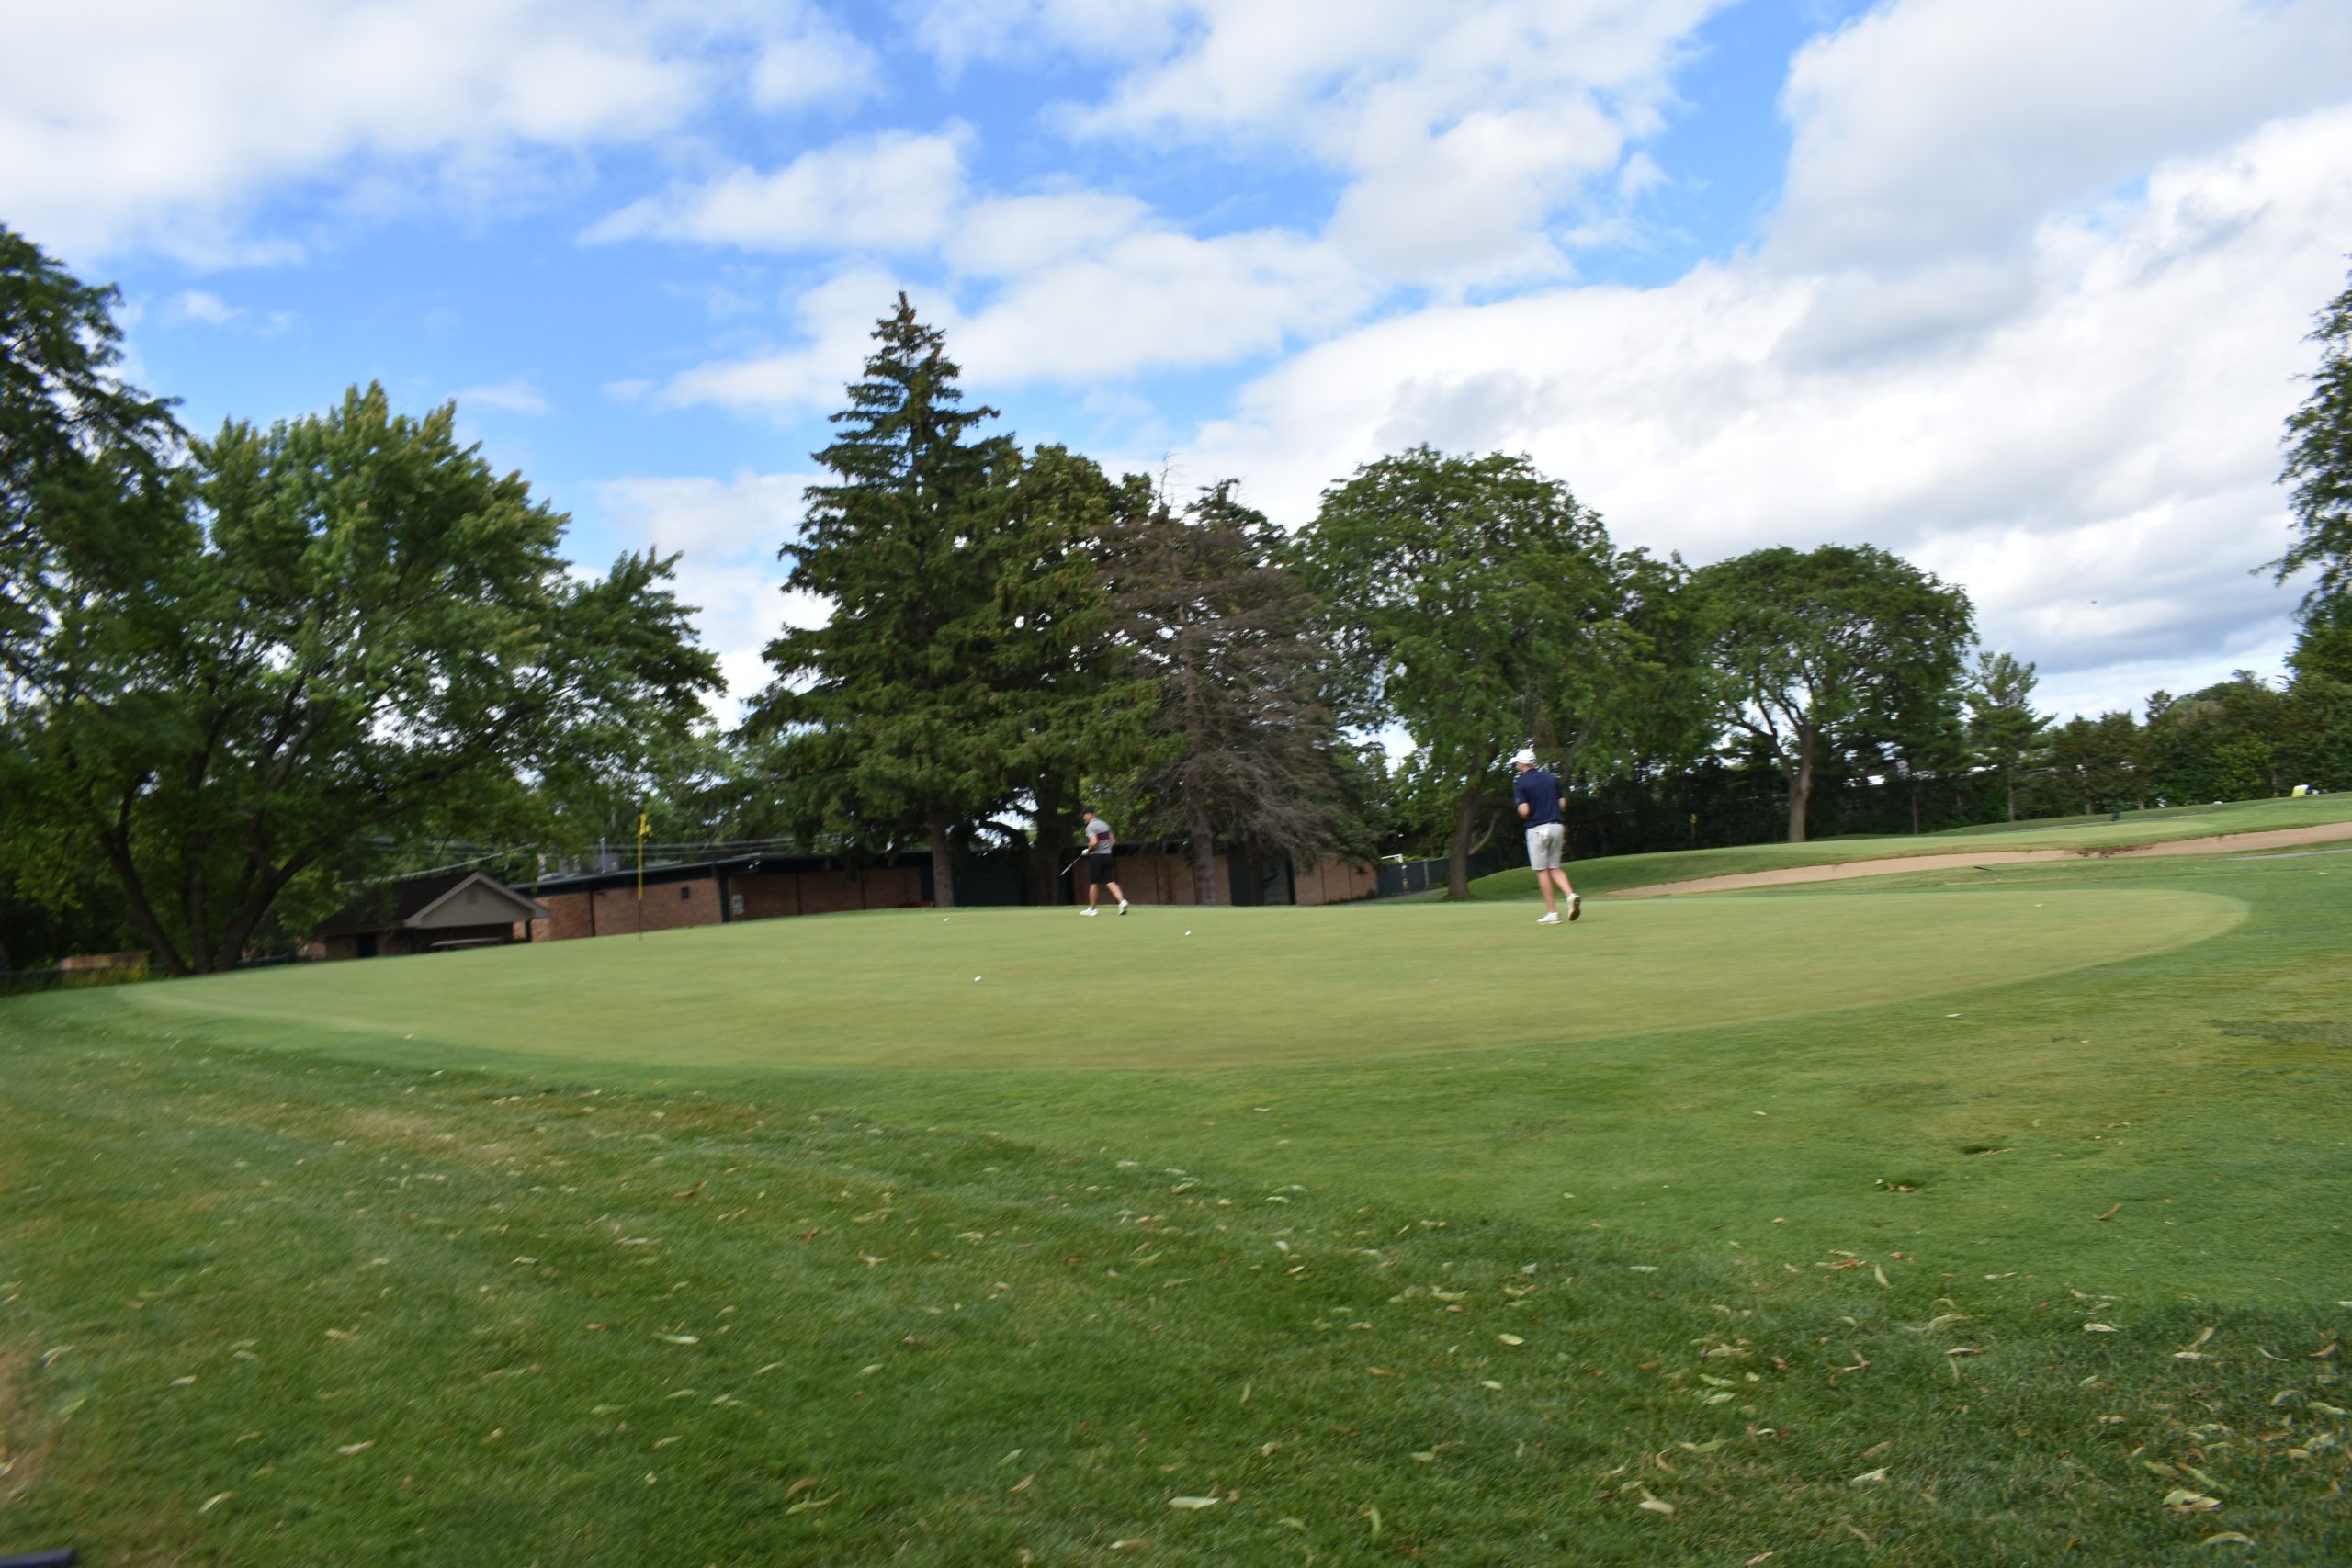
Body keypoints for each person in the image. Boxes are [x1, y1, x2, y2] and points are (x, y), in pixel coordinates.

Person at [1511, 747, 1579, 925]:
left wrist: (1521, 809)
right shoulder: (1550, 778)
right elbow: (1562, 803)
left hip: (1537, 829)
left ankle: (1553, 913)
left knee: (1542, 871)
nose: (1517, 765)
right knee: (1554, 867)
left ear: (1523, 764)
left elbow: (1524, 810)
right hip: (1557, 827)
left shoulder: (1521, 783)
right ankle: (1570, 895)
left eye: (1517, 763)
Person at [1078, 807, 1128, 916]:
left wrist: (1088, 850)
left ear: (1089, 815)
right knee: (1110, 881)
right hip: (1108, 856)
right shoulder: (1105, 824)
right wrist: (1106, 850)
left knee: (1094, 883)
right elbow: (1112, 841)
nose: (1083, 818)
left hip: (1097, 857)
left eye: (1084, 816)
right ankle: (1122, 902)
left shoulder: (1090, 826)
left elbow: (1094, 842)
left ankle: (1093, 909)